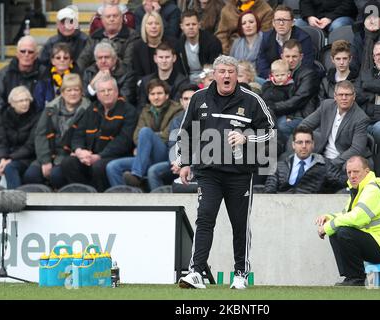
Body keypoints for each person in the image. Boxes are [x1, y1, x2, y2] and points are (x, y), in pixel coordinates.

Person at [176, 55, 275, 289]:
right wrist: (185, 162)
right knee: (205, 219)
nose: (227, 76)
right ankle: (196, 272)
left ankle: (240, 273)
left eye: (231, 72)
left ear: (237, 75)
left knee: (240, 224)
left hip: (239, 173)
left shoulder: (252, 100)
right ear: (214, 75)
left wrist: (246, 137)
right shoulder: (199, 98)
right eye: (222, 71)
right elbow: (186, 131)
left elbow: (270, 130)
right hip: (208, 171)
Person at [316, 155, 380, 286]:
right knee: (336, 231)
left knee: (343, 231)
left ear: (367, 172)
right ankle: (350, 277)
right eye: (349, 172)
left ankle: (356, 278)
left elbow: (358, 217)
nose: (352, 176)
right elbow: (346, 215)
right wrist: (329, 217)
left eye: (356, 172)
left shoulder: (372, 189)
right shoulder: (360, 190)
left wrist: (328, 226)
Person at [60, 76, 137, 192]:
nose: (106, 93)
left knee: (99, 166)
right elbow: (78, 133)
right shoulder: (92, 108)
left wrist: (99, 156)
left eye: (110, 90)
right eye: (102, 91)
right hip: (89, 156)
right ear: (97, 94)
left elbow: (123, 141)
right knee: (68, 162)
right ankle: (84, 195)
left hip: (114, 156)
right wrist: (79, 151)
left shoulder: (129, 110)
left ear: (116, 92)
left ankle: (101, 200)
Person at [106, 79, 182, 189]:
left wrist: (148, 140)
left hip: (166, 153)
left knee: (146, 132)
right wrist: (146, 141)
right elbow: (136, 136)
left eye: (159, 93)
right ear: (148, 96)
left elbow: (168, 136)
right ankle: (124, 199)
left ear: (166, 95)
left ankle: (136, 175)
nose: (156, 97)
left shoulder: (176, 110)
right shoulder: (145, 111)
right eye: (152, 94)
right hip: (144, 156)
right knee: (112, 166)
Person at [24, 74, 91, 189]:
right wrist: (45, 161)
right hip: (49, 154)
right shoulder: (50, 108)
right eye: (69, 90)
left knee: (56, 176)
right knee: (31, 175)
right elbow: (41, 134)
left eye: (76, 89)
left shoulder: (88, 108)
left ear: (81, 92)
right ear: (63, 93)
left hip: (71, 156)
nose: (73, 93)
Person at [299, 80, 371, 182]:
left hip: (344, 160)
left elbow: (356, 149)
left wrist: (332, 163)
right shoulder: (326, 106)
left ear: (354, 96)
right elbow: (304, 126)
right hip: (323, 156)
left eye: (347, 95)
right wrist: (304, 143)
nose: (344, 98)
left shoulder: (361, 118)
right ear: (335, 96)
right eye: (341, 95)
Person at [147, 83, 199, 191]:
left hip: (198, 163)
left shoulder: (206, 118)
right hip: (178, 162)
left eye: (192, 98)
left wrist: (186, 163)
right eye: (185, 99)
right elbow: (172, 144)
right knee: (153, 171)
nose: (189, 101)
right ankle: (160, 206)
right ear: (181, 101)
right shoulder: (177, 120)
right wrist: (177, 162)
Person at [264, 126, 344, 193]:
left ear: (313, 144)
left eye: (308, 142)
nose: (304, 146)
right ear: (293, 145)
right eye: (300, 142)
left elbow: (343, 182)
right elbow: (269, 192)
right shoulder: (279, 167)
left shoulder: (325, 165)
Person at [76, 4, 140, 72]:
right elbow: (83, 59)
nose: (111, 19)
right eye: (108, 16)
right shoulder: (95, 36)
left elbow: (127, 65)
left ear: (121, 18)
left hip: (121, 78)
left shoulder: (133, 36)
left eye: (115, 16)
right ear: (102, 20)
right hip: (94, 75)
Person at [257, 5, 315, 79]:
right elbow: (262, 62)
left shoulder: (303, 39)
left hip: (295, 80)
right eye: (278, 20)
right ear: (273, 23)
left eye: (285, 20)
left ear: (293, 22)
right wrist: (274, 77)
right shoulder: (266, 37)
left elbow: (306, 64)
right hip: (271, 79)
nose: (281, 23)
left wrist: (287, 78)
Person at [0, 86, 40, 189]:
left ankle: (15, 201)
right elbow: (2, 141)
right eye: (20, 101)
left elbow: (30, 146)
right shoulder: (3, 116)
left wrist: (10, 159)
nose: (25, 103)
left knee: (10, 168)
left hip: (27, 157)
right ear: (12, 103)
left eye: (27, 100)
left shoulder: (37, 116)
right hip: (7, 155)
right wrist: (3, 158)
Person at [0, 36, 46, 112]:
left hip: (36, 119)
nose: (26, 54)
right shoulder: (5, 73)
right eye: (23, 51)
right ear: (17, 53)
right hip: (9, 119)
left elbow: (47, 101)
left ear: (36, 55)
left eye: (30, 52)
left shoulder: (44, 73)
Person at [137, 42, 189, 111]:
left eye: (167, 57)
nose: (164, 61)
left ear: (174, 58)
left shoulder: (183, 82)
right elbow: (141, 107)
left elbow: (177, 108)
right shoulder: (145, 81)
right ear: (155, 58)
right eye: (161, 57)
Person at [82, 41, 137, 105]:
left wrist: (109, 80)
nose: (103, 61)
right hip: (94, 110)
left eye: (107, 57)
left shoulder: (128, 73)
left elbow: (125, 99)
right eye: (100, 58)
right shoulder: (89, 72)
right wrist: (93, 84)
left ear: (115, 59)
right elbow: (85, 99)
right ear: (96, 61)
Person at [132, 11, 179, 82]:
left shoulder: (172, 43)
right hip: (147, 85)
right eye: (150, 24)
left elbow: (178, 69)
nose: (154, 26)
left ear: (161, 26)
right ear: (144, 26)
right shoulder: (137, 47)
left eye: (157, 23)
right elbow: (138, 74)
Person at [177, 10, 222, 84]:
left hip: (208, 80)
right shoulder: (179, 44)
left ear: (199, 25)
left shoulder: (212, 42)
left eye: (194, 24)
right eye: (187, 25)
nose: (191, 27)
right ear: (182, 26)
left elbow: (215, 67)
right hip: (187, 81)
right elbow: (180, 70)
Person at [34, 43, 79, 112]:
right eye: (58, 58)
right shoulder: (44, 80)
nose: (62, 60)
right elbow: (39, 107)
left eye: (66, 58)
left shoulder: (78, 79)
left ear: (71, 61)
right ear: (52, 61)